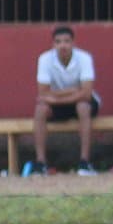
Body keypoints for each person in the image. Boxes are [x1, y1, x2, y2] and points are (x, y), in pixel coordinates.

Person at [31, 26, 100, 175]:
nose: (63, 45)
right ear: (53, 45)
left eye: (67, 41)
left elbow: (87, 94)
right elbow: (42, 93)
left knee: (83, 107)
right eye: (58, 42)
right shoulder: (44, 59)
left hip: (80, 103)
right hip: (61, 103)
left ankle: (84, 162)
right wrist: (73, 91)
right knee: (40, 109)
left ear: (73, 43)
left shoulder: (84, 58)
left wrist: (55, 97)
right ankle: (40, 163)